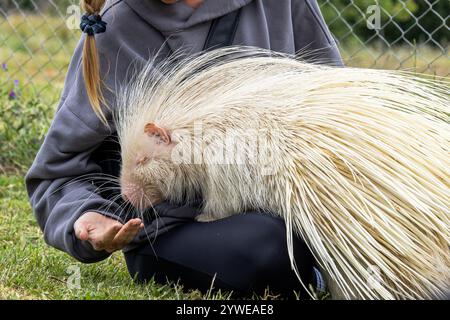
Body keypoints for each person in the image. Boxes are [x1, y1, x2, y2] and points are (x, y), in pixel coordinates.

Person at [25, 0, 342, 297]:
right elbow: (57, 172)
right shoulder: (115, 26)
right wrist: (86, 215)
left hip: (291, 202)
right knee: (267, 250)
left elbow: (334, 102)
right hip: (175, 228)